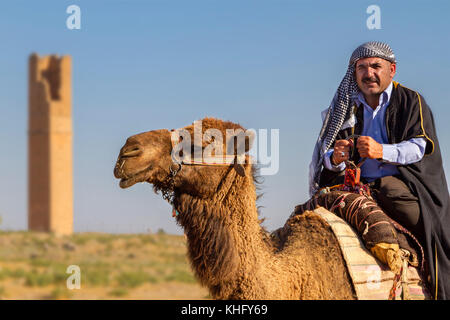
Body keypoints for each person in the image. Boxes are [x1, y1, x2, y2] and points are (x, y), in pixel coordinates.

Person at [308, 41, 450, 300]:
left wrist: (380, 151)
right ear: (354, 74)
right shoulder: (347, 109)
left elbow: (419, 147)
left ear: (391, 70)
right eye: (361, 67)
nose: (368, 73)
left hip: (401, 184)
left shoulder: (411, 100)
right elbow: (326, 156)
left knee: (427, 226)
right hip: (353, 186)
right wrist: (335, 157)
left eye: (376, 66)